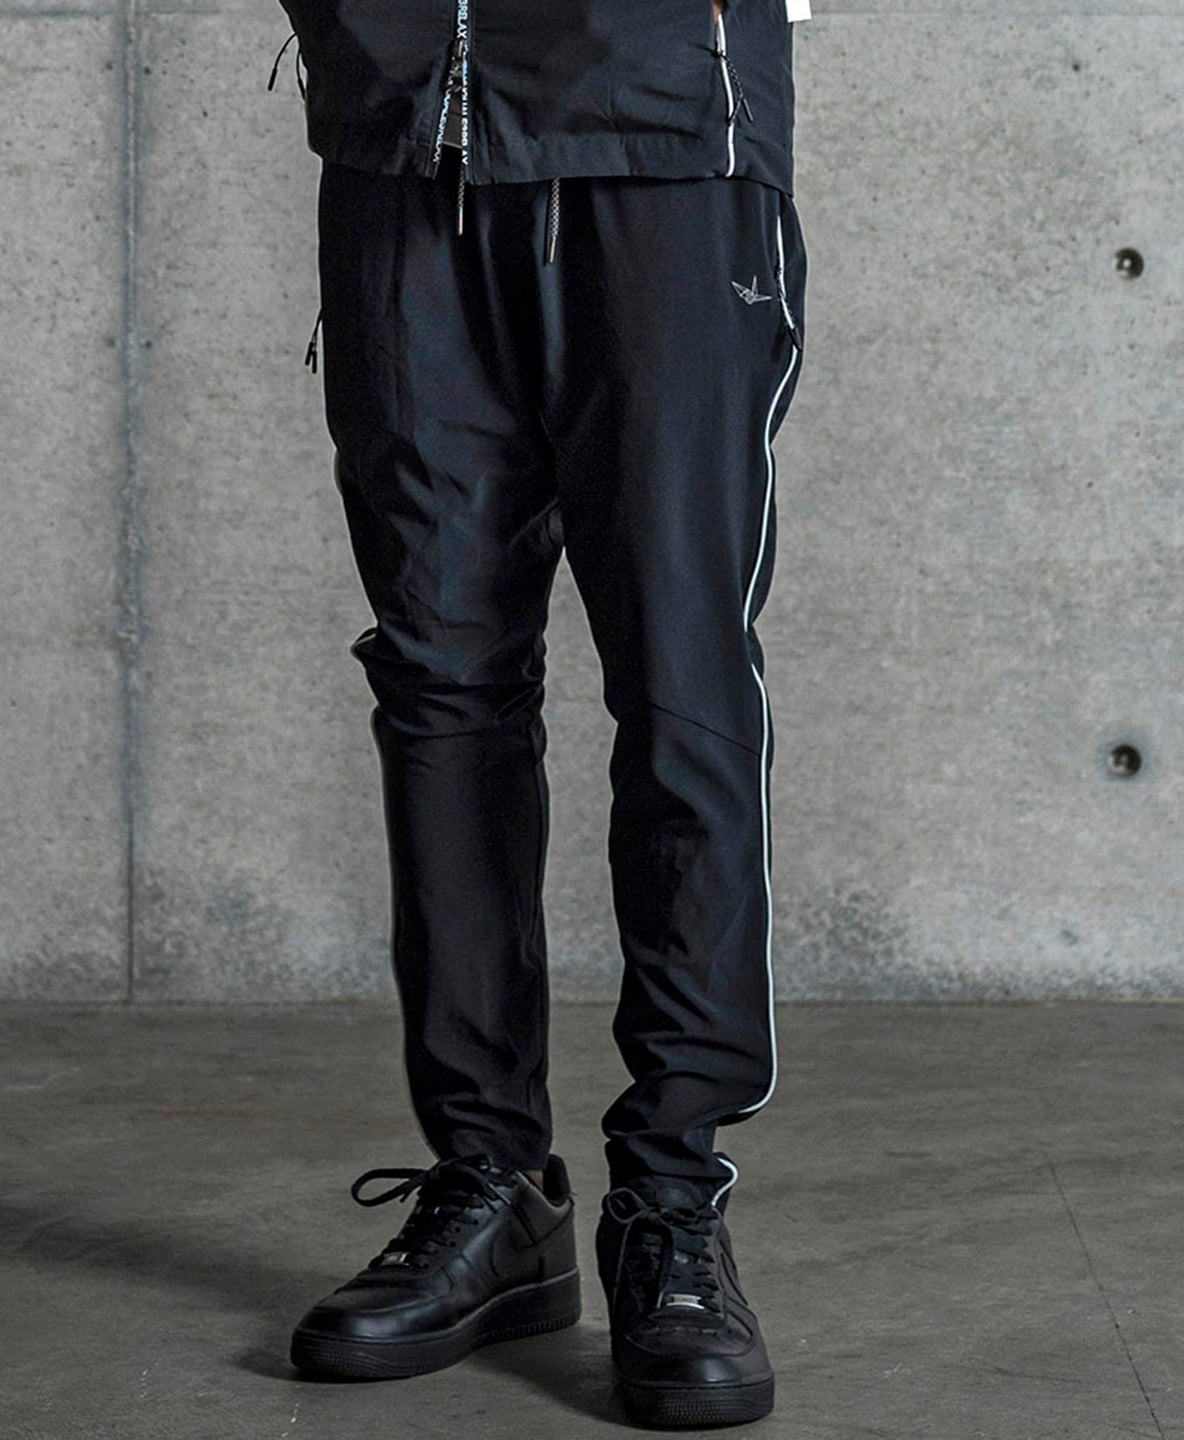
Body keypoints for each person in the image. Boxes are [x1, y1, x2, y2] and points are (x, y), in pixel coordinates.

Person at [269, 0, 809, 1426]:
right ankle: (492, 1184)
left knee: (681, 678)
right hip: (401, 135)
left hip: (661, 130)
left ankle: (674, 1199)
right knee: (439, 680)